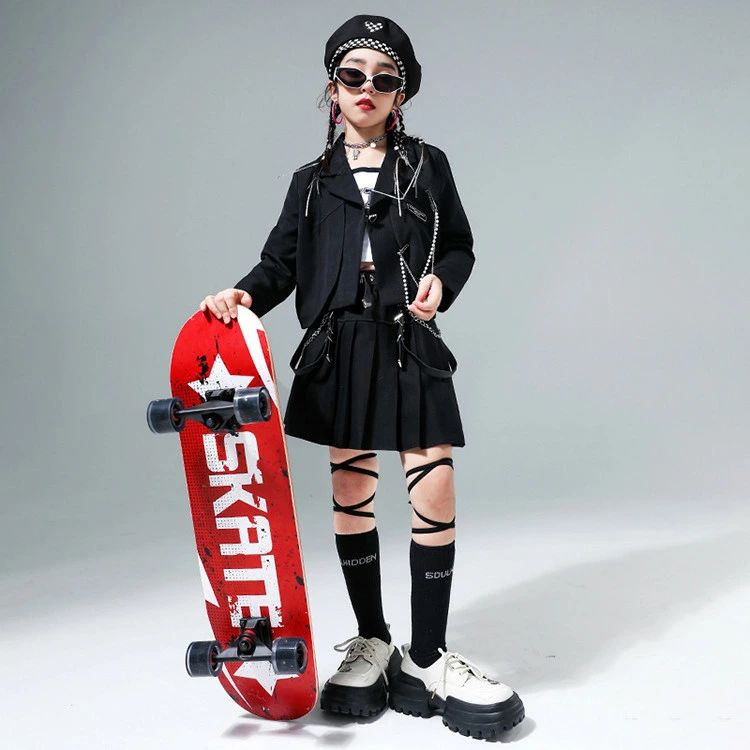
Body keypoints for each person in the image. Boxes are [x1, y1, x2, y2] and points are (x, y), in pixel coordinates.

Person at [199, 14, 525, 739]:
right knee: (352, 491)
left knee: (433, 485)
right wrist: (242, 295)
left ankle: (428, 658)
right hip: (339, 342)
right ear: (332, 88)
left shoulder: (427, 165)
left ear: (400, 93)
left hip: (408, 336)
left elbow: (460, 245)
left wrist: (442, 281)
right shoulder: (311, 182)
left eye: (383, 78)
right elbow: (280, 262)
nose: (366, 88)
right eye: (353, 76)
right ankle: (373, 642)